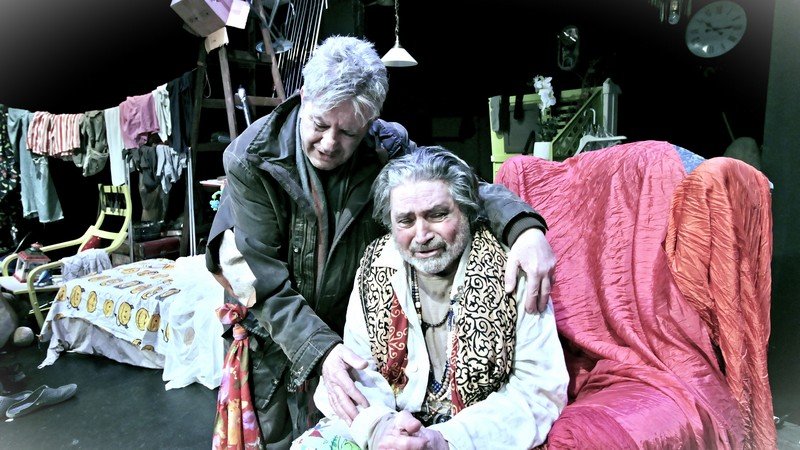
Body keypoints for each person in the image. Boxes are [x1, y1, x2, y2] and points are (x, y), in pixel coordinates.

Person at [206, 36, 557, 447]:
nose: (330, 143)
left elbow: (453, 187)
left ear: (370, 121)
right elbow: (259, 279)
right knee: (277, 435)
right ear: (303, 98)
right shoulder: (252, 160)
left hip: (345, 329)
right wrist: (319, 349)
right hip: (277, 328)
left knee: (342, 422)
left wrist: (523, 227)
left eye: (348, 132)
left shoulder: (385, 146)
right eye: (319, 124)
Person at [293, 146, 568, 449]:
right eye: (405, 221)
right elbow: (362, 372)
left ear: (466, 211)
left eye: (437, 215)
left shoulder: (513, 268)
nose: (422, 235)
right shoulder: (375, 265)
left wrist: (445, 440)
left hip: (478, 436)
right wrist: (382, 429)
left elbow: (537, 392)